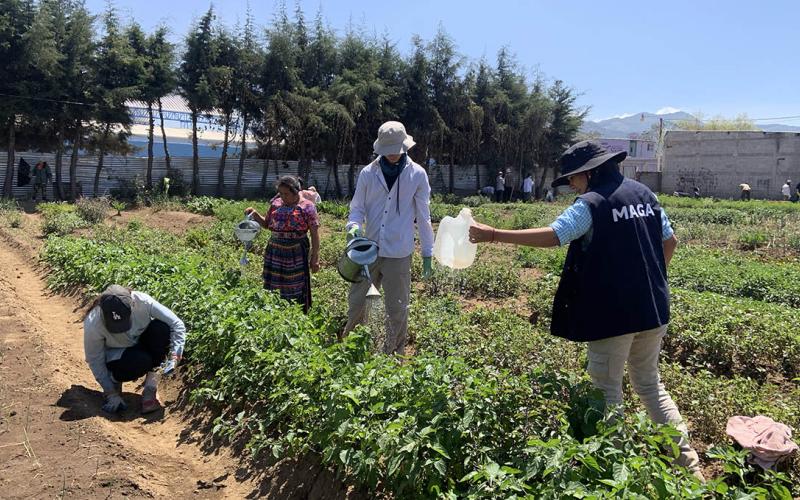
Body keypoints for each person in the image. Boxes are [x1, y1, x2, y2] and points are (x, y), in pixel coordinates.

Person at [468, 140, 703, 480]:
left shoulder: (591, 203)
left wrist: (494, 234)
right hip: (653, 308)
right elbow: (671, 241)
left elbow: (555, 235)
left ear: (590, 173)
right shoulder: (645, 196)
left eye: (574, 179)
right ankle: (691, 471)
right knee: (650, 385)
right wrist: (650, 280)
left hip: (613, 315)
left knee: (606, 391)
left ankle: (619, 476)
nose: (573, 186)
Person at [342, 121, 435, 355]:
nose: (393, 155)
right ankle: (352, 351)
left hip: (399, 253)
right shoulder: (368, 173)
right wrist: (353, 226)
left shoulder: (417, 174)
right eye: (388, 150)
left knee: (397, 308)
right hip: (367, 251)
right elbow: (357, 208)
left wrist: (427, 254)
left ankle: (394, 354)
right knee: (357, 304)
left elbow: (424, 217)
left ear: (405, 146)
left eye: (397, 149)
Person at [83, 285, 185, 414]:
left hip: (139, 343)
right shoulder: (93, 322)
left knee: (162, 328)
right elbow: (94, 359)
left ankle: (150, 389)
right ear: (102, 312)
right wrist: (110, 393)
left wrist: (176, 354)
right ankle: (114, 380)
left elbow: (177, 323)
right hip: (117, 357)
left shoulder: (142, 301)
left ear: (132, 305)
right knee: (141, 361)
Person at [245, 176, 320, 313]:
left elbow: (314, 234)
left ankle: (295, 313)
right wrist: (255, 215)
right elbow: (267, 224)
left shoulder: (307, 207)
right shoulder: (276, 204)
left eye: (286, 193)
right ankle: (273, 312)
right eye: (281, 193)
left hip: (295, 252)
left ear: (296, 191)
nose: (282, 197)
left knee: (294, 284)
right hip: (275, 251)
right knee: (273, 284)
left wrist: (315, 257)